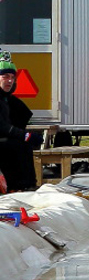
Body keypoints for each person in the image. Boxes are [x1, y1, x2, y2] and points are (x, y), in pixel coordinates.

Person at [0, 49, 42, 191]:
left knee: (21, 144)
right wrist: (24, 135)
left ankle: (26, 186)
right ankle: (21, 186)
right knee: (19, 145)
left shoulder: (8, 100)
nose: (10, 81)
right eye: (5, 76)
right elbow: (2, 126)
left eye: (12, 77)